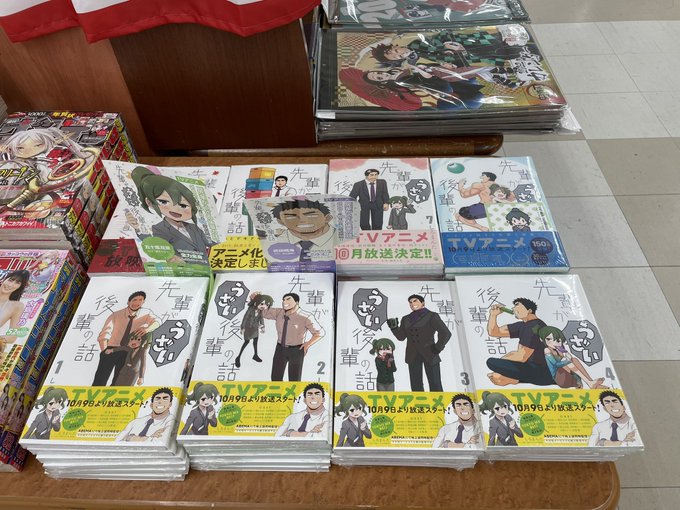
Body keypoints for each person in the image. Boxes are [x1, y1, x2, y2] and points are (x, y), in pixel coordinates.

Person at [127, 166, 216, 265]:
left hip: (209, 266)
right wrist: (138, 228)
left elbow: (211, 242)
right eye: (164, 202)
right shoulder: (159, 228)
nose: (176, 209)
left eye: (183, 205)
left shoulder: (193, 227)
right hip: (184, 269)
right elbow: (154, 243)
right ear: (149, 202)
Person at [0, 127, 98, 213]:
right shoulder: (13, 164)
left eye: (38, 145)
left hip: (56, 193)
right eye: (20, 148)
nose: (30, 150)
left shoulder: (56, 155)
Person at [92, 291, 160, 386]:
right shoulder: (116, 315)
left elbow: (157, 322)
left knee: (118, 383)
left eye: (140, 300)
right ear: (128, 302)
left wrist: (147, 329)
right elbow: (105, 333)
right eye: (134, 300)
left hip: (128, 352)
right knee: (100, 380)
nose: (137, 302)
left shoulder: (146, 313)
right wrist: (104, 350)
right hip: (111, 349)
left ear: (143, 302)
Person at [388, 294, 451, 392]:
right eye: (410, 302)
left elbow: (445, 333)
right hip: (412, 354)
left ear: (422, 303)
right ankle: (419, 402)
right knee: (416, 385)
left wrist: (437, 348)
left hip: (430, 353)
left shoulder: (432, 316)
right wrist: (394, 328)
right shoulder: (406, 319)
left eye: (415, 301)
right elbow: (401, 337)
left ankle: (438, 402)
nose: (412, 303)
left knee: (435, 383)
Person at [486, 298, 554, 387]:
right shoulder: (523, 325)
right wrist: (493, 315)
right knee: (501, 367)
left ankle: (510, 378)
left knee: (491, 363)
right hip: (531, 367)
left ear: (529, 310)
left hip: (542, 370)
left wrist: (501, 365)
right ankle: (511, 378)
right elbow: (494, 332)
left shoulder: (534, 327)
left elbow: (521, 357)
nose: (513, 308)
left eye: (517, 305)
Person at [257, 291, 324, 381]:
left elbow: (319, 333)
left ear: (296, 302)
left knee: (294, 379)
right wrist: (256, 298)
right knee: (275, 378)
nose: (284, 302)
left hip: (296, 350)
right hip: (280, 349)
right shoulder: (279, 312)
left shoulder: (306, 317)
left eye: (288, 299)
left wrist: (307, 344)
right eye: (283, 300)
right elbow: (262, 312)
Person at [537, 325, 606, 389]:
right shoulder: (547, 350)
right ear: (542, 339)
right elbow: (556, 365)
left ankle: (590, 382)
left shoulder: (560, 349)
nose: (554, 342)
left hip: (569, 375)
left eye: (558, 340)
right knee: (567, 362)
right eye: (549, 339)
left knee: (574, 360)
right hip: (560, 378)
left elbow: (570, 359)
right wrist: (566, 360)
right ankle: (589, 383)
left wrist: (565, 352)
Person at [271, 199, 338, 263]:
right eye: (290, 217)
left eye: (311, 215)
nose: (302, 220)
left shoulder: (340, 238)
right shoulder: (275, 240)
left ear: (327, 218)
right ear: (280, 221)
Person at [0, 270, 30, 363]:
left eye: (17, 283)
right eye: (11, 280)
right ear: (4, 279)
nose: (11, 285)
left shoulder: (16, 306)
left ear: (20, 287)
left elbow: (13, 335)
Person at [236, 293, 273, 368]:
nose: (264, 306)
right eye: (262, 304)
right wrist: (242, 328)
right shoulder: (250, 309)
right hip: (248, 328)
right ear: (256, 302)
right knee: (246, 342)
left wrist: (263, 326)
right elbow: (245, 318)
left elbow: (261, 318)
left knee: (255, 341)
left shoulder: (260, 311)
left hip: (255, 328)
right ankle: (238, 357)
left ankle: (255, 355)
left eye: (266, 305)